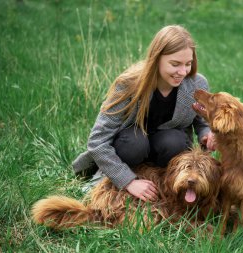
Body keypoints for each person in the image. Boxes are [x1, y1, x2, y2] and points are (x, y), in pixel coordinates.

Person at [72, 25, 215, 202]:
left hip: (166, 153)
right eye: (175, 64)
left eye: (188, 64)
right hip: (129, 149)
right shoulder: (128, 84)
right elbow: (97, 141)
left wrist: (206, 133)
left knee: (174, 141)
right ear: (156, 59)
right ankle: (111, 177)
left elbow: (202, 121)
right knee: (134, 143)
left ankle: (159, 181)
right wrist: (129, 182)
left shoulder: (196, 84)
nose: (183, 72)